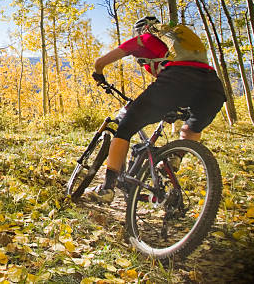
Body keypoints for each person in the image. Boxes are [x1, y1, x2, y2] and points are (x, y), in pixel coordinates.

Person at [86, 16, 226, 203]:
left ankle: (106, 189)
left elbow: (101, 61)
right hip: (212, 86)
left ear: (142, 30)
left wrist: (98, 73)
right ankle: (175, 157)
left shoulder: (143, 40)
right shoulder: (180, 45)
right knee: (191, 128)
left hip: (177, 81)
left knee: (125, 128)